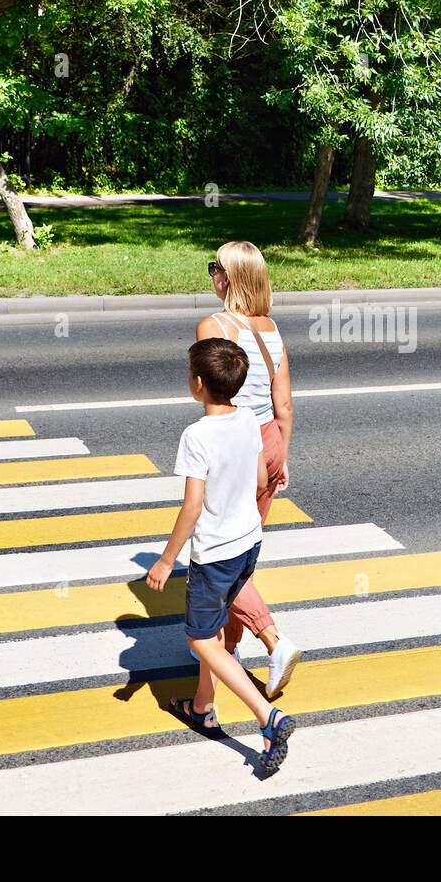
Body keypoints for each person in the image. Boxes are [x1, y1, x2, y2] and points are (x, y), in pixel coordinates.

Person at [146, 338, 296, 773]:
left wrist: (165, 559)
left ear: (196, 384)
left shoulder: (196, 435)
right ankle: (203, 706)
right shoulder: (249, 419)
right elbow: (256, 478)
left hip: (215, 555)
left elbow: (192, 506)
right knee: (212, 634)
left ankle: (268, 718)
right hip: (249, 542)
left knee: (198, 639)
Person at [195, 240, 301, 696]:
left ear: (231, 278)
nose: (211, 275)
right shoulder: (272, 329)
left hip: (238, 447)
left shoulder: (213, 325)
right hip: (270, 444)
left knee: (225, 558)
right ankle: (231, 649)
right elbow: (285, 405)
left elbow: (217, 399)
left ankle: (274, 641)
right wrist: (282, 460)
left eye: (215, 268)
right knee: (244, 551)